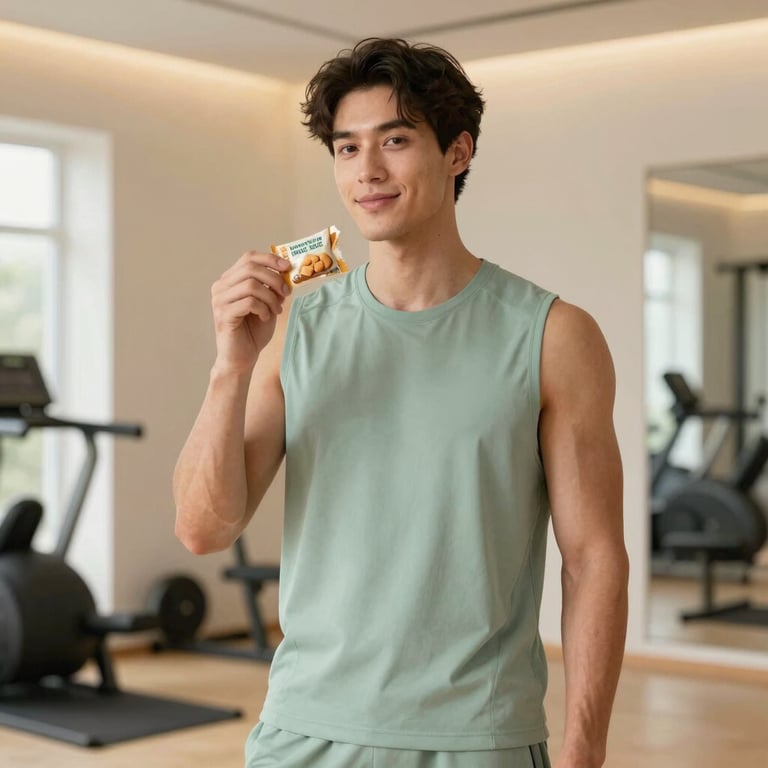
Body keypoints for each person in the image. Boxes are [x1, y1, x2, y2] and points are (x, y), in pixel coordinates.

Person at [174, 37, 629, 768]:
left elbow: (593, 559)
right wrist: (231, 366)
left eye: (395, 140)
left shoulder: (554, 336)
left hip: (480, 738)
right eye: (347, 149)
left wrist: (584, 750)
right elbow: (204, 529)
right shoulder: (296, 329)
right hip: (304, 735)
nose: (367, 172)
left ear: (458, 152)